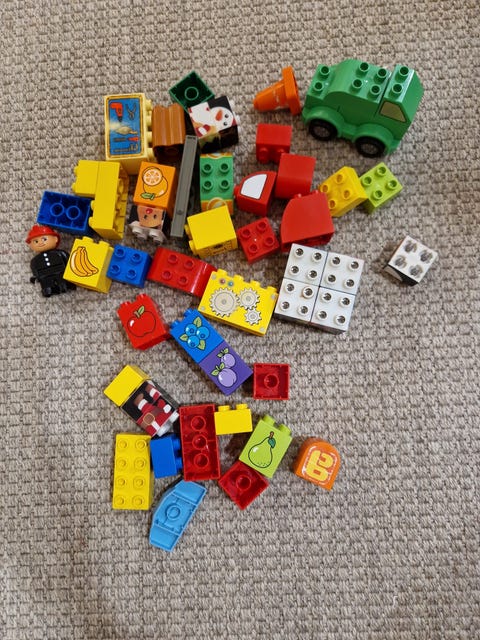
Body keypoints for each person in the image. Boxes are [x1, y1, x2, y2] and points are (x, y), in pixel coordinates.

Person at [26, 224, 76, 297]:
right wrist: (35, 276)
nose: (40, 243)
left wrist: (71, 272)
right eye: (36, 241)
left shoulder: (60, 253)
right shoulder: (35, 260)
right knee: (46, 284)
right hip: (44, 276)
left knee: (62, 282)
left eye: (44, 239)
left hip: (60, 273)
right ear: (30, 245)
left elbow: (69, 261)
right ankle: (47, 291)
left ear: (55, 239)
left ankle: (64, 287)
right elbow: (34, 269)